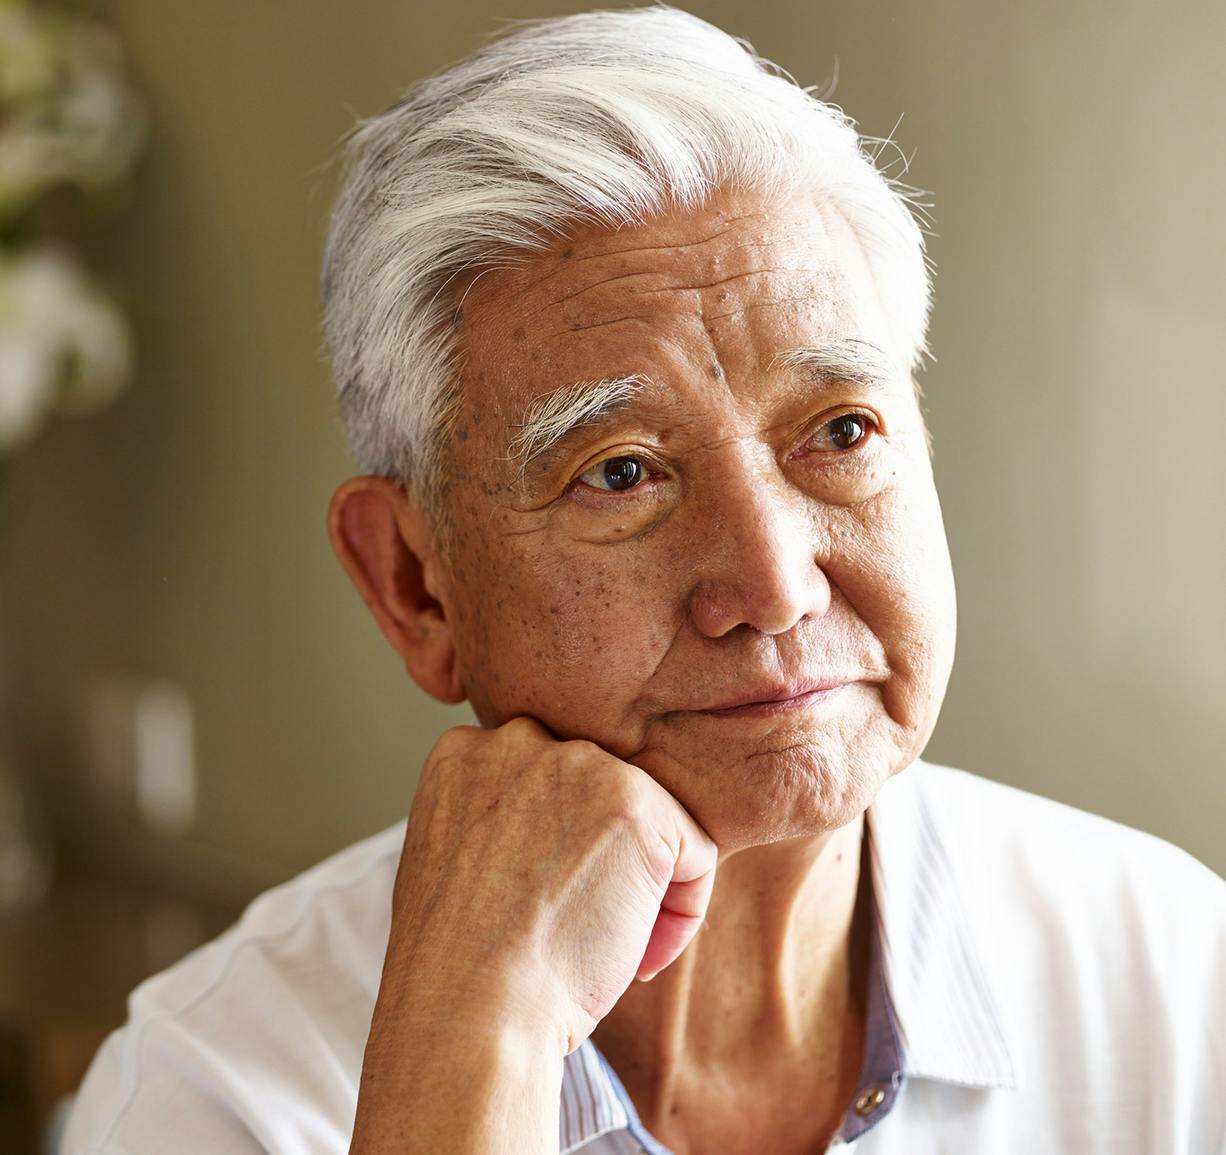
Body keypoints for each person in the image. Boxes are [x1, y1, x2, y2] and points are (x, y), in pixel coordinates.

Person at [62, 7, 1226, 1154]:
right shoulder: (215, 1096)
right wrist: (477, 1044)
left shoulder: (1168, 976)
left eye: (840, 430)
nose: (773, 585)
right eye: (618, 473)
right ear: (414, 584)